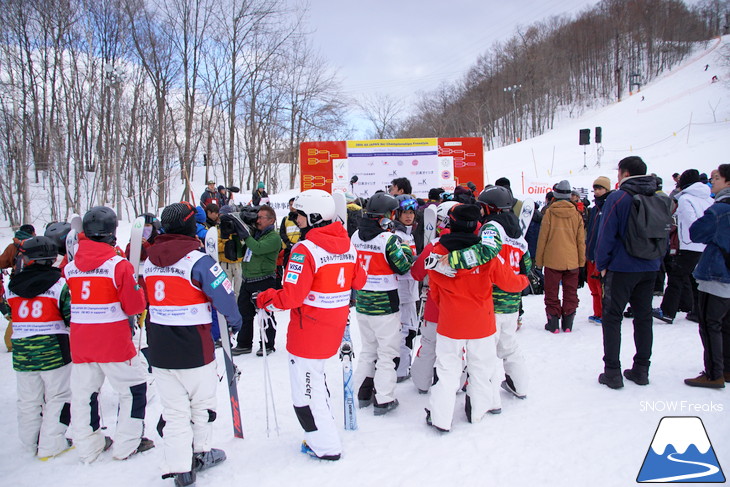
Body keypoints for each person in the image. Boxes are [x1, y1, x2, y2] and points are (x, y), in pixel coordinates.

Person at [255, 190, 366, 461]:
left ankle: (325, 445)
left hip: (308, 332)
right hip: (333, 326)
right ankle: (321, 433)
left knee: (304, 392)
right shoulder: (348, 245)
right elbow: (359, 282)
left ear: (314, 217)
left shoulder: (305, 249)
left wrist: (265, 298)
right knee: (314, 380)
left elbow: (292, 296)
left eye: (299, 215)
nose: (296, 220)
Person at [143, 202, 243, 486]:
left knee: (174, 410)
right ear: (190, 226)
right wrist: (235, 323)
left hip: (160, 344)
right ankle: (201, 451)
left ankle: (181, 467)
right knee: (201, 403)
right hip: (194, 344)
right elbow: (225, 298)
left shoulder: (148, 260)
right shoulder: (199, 261)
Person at [425, 204, 528, 432]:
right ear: (476, 227)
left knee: (447, 371)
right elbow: (509, 282)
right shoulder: (486, 254)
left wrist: (448, 307)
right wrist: (525, 279)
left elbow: (434, 290)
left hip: (451, 322)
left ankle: (441, 418)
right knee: (481, 369)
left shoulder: (439, 253)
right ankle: (477, 413)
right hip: (481, 321)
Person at [64, 206, 153, 462]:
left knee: (84, 395)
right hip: (114, 341)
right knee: (133, 389)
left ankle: (88, 446)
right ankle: (127, 443)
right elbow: (134, 306)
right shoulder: (118, 265)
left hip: (81, 342)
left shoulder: (70, 267)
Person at [595, 156, 668, 389]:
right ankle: (641, 369)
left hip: (622, 266)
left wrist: (602, 264)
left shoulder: (619, 197)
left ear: (624, 173)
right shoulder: (659, 196)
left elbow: (606, 234)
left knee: (613, 317)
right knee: (643, 317)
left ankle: (613, 372)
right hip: (650, 265)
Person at [6, 236, 72, 459]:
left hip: (23, 351)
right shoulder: (59, 284)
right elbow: (70, 316)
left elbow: (8, 313)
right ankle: (52, 443)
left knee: (28, 399)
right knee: (59, 395)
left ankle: (29, 443)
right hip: (53, 348)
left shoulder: (12, 286)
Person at [351, 192, 414, 415]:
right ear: (386, 216)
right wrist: (404, 246)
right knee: (388, 353)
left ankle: (362, 392)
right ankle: (384, 398)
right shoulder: (389, 239)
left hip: (363, 301)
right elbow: (404, 266)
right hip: (385, 304)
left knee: (369, 350)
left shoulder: (356, 235)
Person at [684, 164, 730, 388]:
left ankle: (714, 373)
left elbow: (696, 232)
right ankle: (726, 369)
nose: (712, 182)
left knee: (710, 323)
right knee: (726, 323)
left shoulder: (720, 210)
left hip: (717, 275)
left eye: (717, 178)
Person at [654, 169, 713, 324]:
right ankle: (698, 311)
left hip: (689, 244)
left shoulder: (686, 199)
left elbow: (690, 221)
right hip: (704, 244)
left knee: (676, 277)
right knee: (694, 278)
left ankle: (667, 311)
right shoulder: (707, 198)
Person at [227, 205, 282, 356]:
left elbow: (257, 248)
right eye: (257, 217)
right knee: (244, 314)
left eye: (261, 218)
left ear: (271, 220)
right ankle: (244, 344)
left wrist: (245, 234)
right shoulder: (255, 234)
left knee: (265, 314)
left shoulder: (274, 238)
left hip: (264, 280)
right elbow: (243, 252)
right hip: (248, 280)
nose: (257, 220)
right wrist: (236, 238)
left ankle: (267, 344)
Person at [535, 180, 586, 333]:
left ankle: (553, 323)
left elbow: (542, 238)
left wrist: (539, 261)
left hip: (552, 259)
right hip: (572, 260)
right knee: (570, 292)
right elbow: (580, 241)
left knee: (551, 292)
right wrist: (581, 262)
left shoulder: (549, 213)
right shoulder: (576, 214)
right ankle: (568, 323)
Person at [393, 195, 420, 382]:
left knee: (408, 329)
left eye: (411, 213)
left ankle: (403, 366)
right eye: (405, 213)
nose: (409, 216)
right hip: (402, 290)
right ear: (398, 215)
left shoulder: (409, 234)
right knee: (406, 330)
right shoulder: (397, 235)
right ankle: (401, 369)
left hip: (410, 289)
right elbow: (400, 263)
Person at [1, 224, 36, 351]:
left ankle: (10, 343)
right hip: (35, 280)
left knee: (17, 312)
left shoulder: (12, 247)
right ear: (32, 232)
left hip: (16, 282)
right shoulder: (35, 244)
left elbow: (2, 262)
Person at [585, 176, 612, 325]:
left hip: (602, 255)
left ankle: (604, 314)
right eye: (595, 188)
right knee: (593, 286)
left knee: (602, 288)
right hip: (591, 254)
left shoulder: (610, 206)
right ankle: (598, 313)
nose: (597, 191)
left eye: (600, 188)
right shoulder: (594, 209)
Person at [218, 205, 244, 300]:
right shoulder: (219, 229)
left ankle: (239, 309)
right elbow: (216, 245)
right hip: (225, 263)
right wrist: (227, 246)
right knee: (225, 289)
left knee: (239, 289)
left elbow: (244, 243)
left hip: (238, 263)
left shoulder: (239, 228)